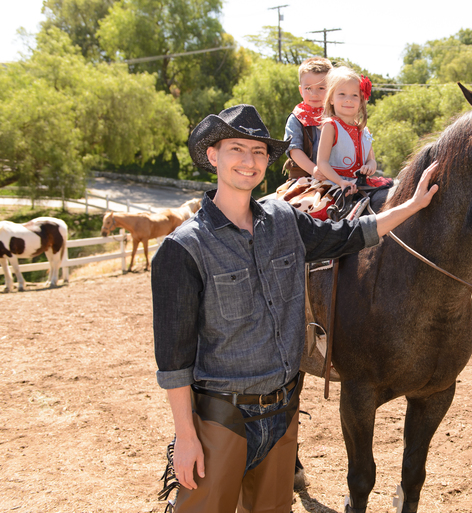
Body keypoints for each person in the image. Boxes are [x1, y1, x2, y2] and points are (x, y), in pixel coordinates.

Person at [151, 104, 438, 513]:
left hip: (283, 416)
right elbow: (174, 359)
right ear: (213, 156)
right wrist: (186, 436)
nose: (248, 161)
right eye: (236, 149)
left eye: (258, 151)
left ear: (268, 161)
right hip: (220, 419)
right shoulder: (182, 249)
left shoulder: (285, 219)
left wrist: (410, 206)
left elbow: (347, 235)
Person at [315, 66, 391, 195]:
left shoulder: (364, 130)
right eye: (342, 94)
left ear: (361, 101)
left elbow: (371, 159)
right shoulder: (331, 126)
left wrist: (370, 167)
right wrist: (340, 182)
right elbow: (322, 162)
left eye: (354, 95)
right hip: (334, 184)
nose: (348, 99)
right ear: (331, 99)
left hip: (360, 183)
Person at [282, 57, 332, 180]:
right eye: (308, 88)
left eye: (321, 88)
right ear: (301, 90)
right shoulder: (297, 118)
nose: (314, 94)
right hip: (305, 176)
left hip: (338, 175)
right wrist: (314, 170)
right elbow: (294, 150)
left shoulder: (336, 115)